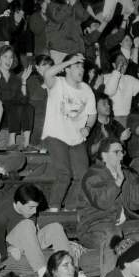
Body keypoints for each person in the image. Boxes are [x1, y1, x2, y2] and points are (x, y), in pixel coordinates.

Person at [76, 136, 139, 276]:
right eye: (116, 152)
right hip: (93, 227)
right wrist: (117, 182)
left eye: (122, 152)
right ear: (104, 155)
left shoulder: (125, 174)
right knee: (113, 232)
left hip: (121, 226)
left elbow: (135, 203)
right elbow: (102, 202)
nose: (121, 155)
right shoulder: (92, 175)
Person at [0, 183, 95, 277]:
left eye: (36, 207)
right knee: (27, 224)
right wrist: (9, 248)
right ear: (19, 204)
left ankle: (74, 273)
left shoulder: (29, 209)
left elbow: (34, 232)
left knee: (56, 227)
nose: (35, 211)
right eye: (31, 207)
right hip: (11, 245)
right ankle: (43, 274)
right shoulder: (0, 215)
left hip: (29, 241)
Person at [41, 54, 96, 209]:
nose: (81, 69)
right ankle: (53, 208)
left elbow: (92, 114)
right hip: (56, 135)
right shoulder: (57, 83)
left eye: (82, 66)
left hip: (76, 138)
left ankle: (70, 207)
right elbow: (47, 73)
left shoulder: (87, 89)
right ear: (67, 69)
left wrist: (88, 127)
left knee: (83, 175)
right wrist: (68, 61)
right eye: (77, 66)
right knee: (64, 174)